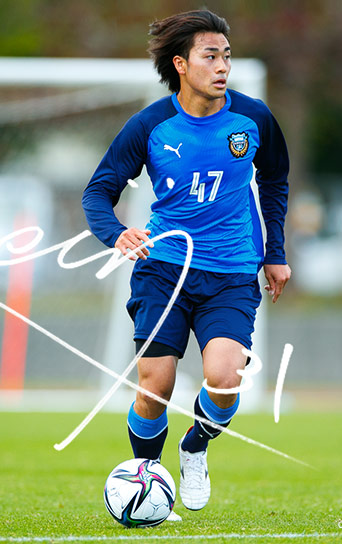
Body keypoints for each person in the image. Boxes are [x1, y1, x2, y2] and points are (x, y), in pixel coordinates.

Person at [81, 10, 290, 516]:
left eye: (227, 56)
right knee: (155, 387)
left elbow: (275, 181)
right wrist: (117, 233)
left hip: (232, 272)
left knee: (224, 379)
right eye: (210, 56)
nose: (223, 66)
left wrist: (276, 253)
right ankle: (147, 479)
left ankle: (194, 448)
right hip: (164, 268)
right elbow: (97, 192)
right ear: (181, 64)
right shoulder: (150, 125)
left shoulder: (254, 118)